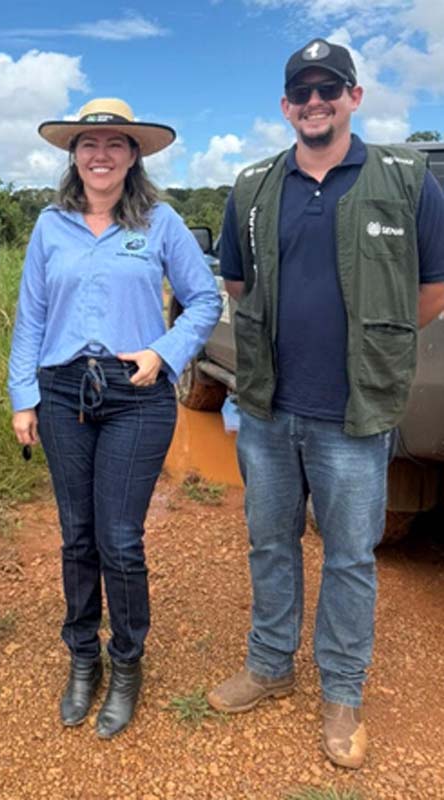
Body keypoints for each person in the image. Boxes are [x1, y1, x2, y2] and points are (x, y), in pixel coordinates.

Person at [206, 39, 444, 769]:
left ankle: (342, 691)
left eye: (329, 88)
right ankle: (271, 665)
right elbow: (238, 285)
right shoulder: (250, 187)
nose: (316, 102)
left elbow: (431, 291)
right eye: (302, 92)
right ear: (286, 106)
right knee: (269, 542)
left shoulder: (406, 181)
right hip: (270, 410)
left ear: (354, 96)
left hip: (354, 415)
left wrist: (372, 349)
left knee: (348, 558)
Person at [8, 98, 222, 738]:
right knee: (76, 534)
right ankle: (83, 658)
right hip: (64, 390)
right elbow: (32, 318)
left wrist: (166, 351)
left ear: (134, 155)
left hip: (137, 391)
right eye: (88, 144)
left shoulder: (160, 223)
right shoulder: (51, 225)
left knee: (119, 539)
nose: (100, 155)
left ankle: (126, 662)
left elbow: (204, 299)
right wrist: (24, 397)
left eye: (114, 144)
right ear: (74, 156)